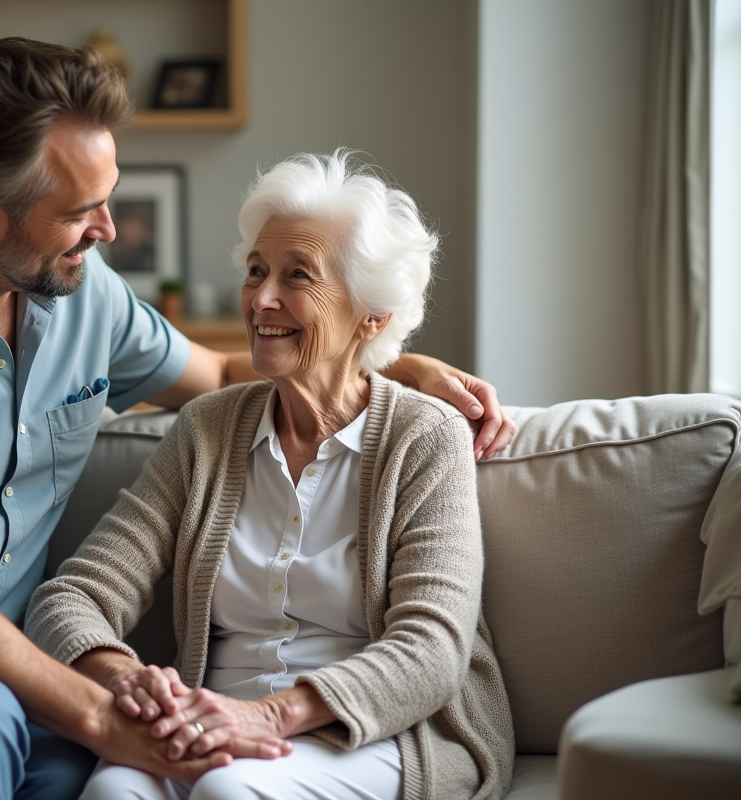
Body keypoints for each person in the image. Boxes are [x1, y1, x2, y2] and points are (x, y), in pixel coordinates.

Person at [0, 38, 514, 800]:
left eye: (109, 199)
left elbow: (227, 374)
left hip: (10, 678)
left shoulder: (78, 290)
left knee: (83, 778)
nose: (106, 231)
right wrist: (99, 712)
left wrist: (377, 361)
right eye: (81, 212)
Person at [26, 151, 515, 800]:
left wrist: (266, 715)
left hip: (370, 731)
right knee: (114, 793)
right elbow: (72, 596)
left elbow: (432, 649)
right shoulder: (206, 431)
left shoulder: (424, 438)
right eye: (256, 270)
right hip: (210, 719)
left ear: (371, 316)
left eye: (297, 276)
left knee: (227, 792)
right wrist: (130, 684)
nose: (260, 299)